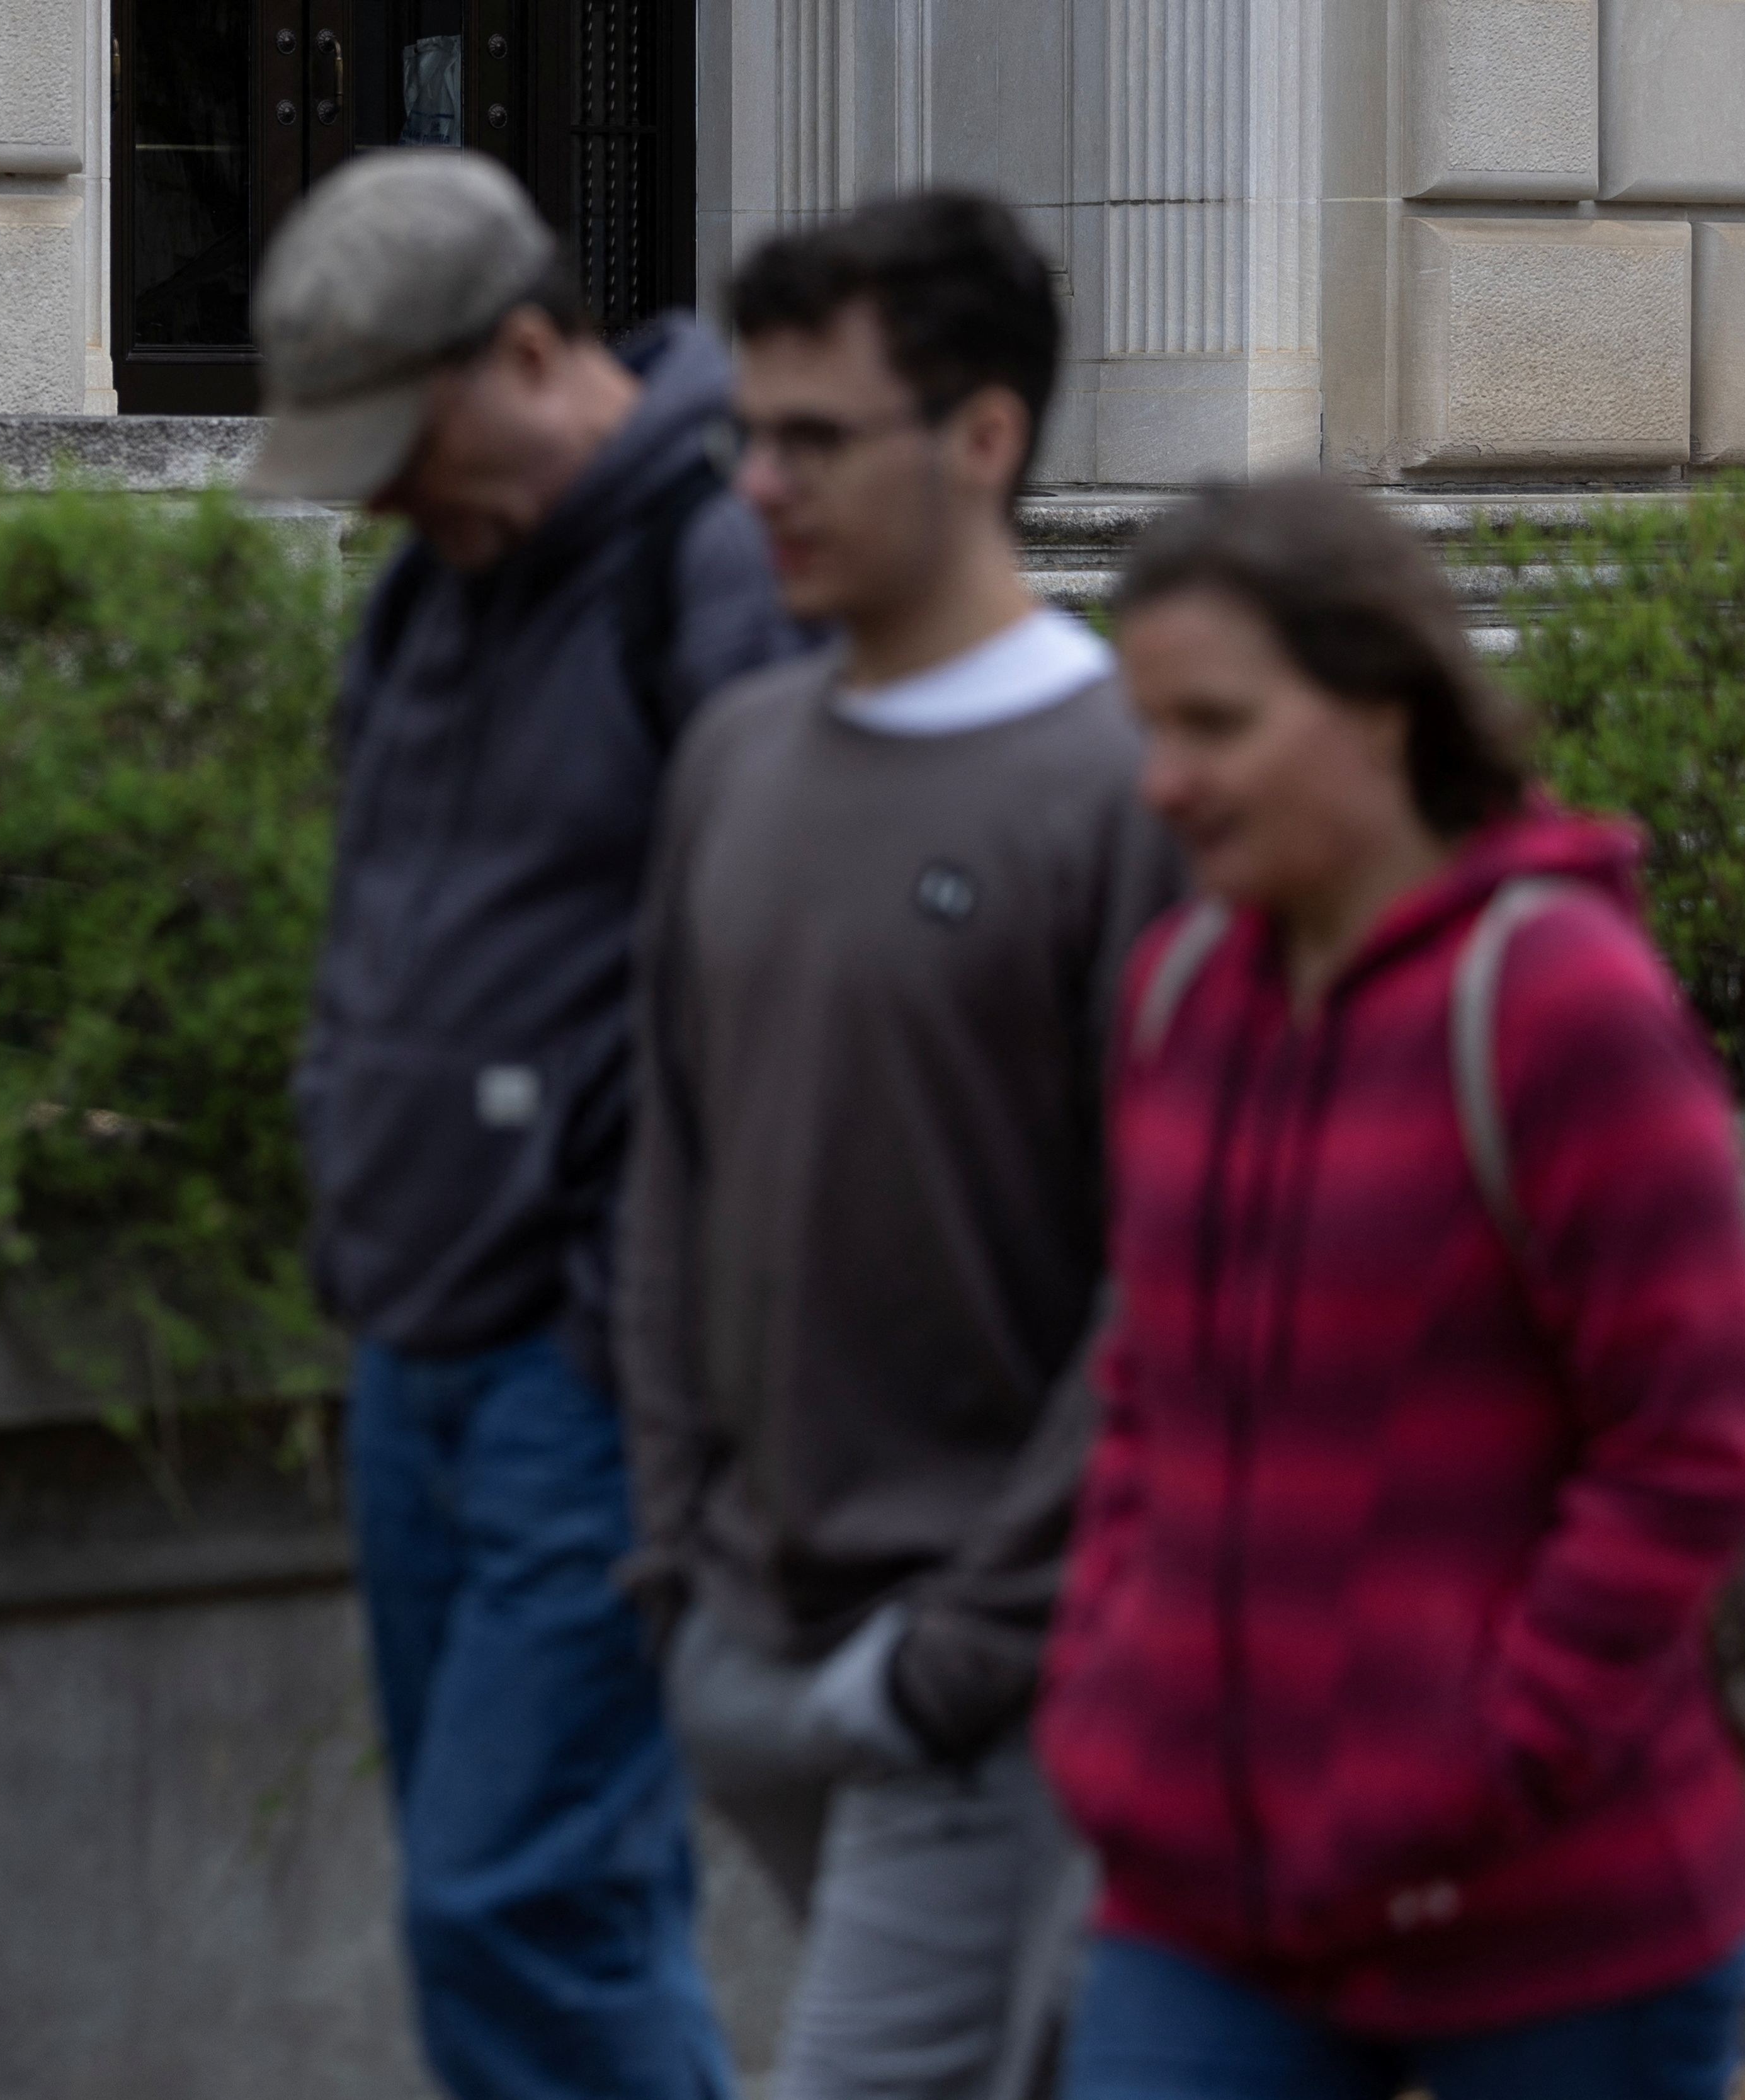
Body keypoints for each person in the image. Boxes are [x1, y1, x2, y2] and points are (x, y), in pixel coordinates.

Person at [1037, 476, 1745, 2100]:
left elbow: (1691, 1449)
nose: (1162, 784)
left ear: (1379, 711)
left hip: (1558, 1920)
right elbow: (1146, 1397)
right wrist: (1102, 1696)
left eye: (1215, 725)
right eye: (1147, 726)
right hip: (1210, 1897)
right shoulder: (1176, 996)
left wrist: (1477, 1764)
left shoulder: (1561, 1002)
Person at [250, 151, 810, 2100]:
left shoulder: (724, 556)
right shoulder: (440, 577)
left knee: (508, 1898)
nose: (386, 490)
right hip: (421, 1344)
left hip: (598, 1371)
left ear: (530, 349)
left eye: (403, 436)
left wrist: (610, 1325)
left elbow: (770, 999)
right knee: (547, 1886)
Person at [616, 191, 1186, 2100]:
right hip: (746, 1645)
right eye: (742, 438)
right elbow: (671, 1168)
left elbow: (1171, 1273)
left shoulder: (1128, 787)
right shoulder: (735, 757)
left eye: (814, 439)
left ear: (986, 438)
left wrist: (972, 1644)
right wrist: (676, 1552)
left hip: (984, 1678)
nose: (758, 484)